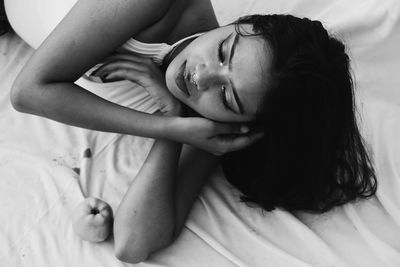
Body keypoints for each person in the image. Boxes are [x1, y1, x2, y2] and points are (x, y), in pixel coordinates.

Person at [8, 0, 377, 263]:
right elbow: (28, 92)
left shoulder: (201, 123)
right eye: (223, 52)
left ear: (239, 121)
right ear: (242, 22)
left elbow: (132, 245)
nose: (201, 76)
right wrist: (168, 124)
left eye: (227, 96)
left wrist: (175, 125)